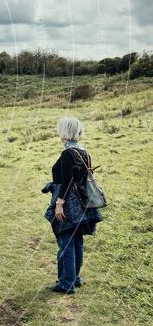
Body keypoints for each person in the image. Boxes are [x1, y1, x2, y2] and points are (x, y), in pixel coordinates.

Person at [41, 117, 102, 294]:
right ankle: (74, 278)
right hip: (82, 203)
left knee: (66, 241)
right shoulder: (84, 152)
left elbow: (68, 181)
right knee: (76, 241)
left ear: (65, 132)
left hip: (68, 203)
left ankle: (66, 284)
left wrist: (59, 204)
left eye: (60, 129)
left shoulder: (68, 154)